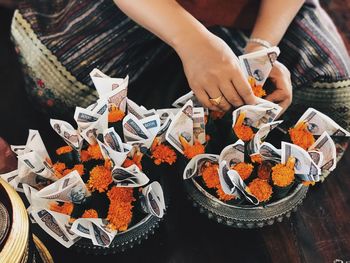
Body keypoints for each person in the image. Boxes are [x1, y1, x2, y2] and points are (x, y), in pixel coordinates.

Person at [5, 0, 350, 169]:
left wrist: (263, 49)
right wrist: (192, 42)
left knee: (331, 95)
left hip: (249, 9)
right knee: (60, 83)